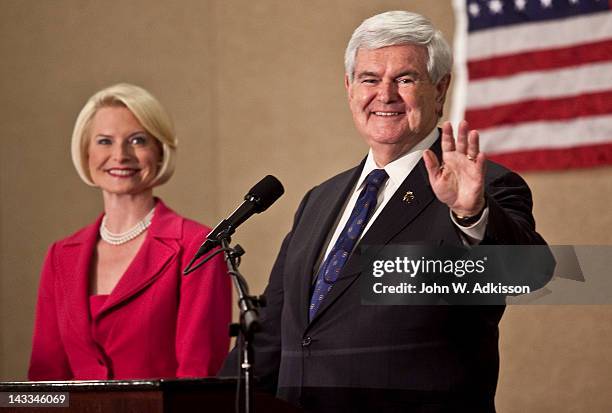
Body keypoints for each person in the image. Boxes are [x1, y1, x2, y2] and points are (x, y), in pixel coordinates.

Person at [220, 11, 548, 412]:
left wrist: (471, 213)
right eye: (369, 79)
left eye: (405, 79)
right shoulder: (319, 199)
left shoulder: (483, 189)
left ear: (440, 90)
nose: (385, 94)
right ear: (349, 88)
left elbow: (528, 276)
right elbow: (272, 334)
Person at [29, 83, 231, 380]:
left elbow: (198, 377)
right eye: (104, 141)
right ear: (85, 154)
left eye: (137, 140)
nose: (120, 155)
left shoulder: (198, 246)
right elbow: (45, 378)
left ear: (160, 153)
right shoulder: (60, 255)